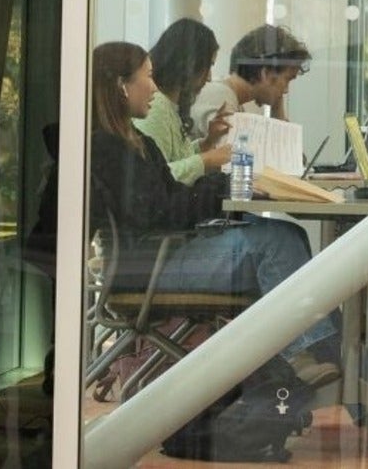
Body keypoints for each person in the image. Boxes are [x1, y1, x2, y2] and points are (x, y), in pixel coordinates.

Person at [89, 41, 339, 386]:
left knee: (287, 235)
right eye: (147, 76)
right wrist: (222, 187)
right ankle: (308, 352)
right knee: (275, 244)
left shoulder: (135, 144)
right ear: (121, 85)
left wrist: (221, 188)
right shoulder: (108, 149)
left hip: (161, 255)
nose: (155, 88)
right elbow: (160, 211)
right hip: (148, 267)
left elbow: (168, 199)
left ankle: (313, 351)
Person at [133, 18, 232, 185]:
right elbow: (155, 177)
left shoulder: (168, 105)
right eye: (208, 66)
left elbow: (175, 157)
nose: (209, 77)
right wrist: (206, 160)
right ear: (191, 64)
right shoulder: (155, 107)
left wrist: (207, 142)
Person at [190, 24, 311, 138]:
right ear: (265, 73)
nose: (286, 90)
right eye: (287, 79)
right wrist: (278, 112)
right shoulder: (220, 100)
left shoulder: (229, 98)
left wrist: (277, 107)